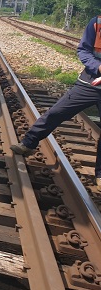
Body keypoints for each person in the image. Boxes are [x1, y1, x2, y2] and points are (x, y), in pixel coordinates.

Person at [10, 15, 101, 188]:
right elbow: (84, 50)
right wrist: (97, 66)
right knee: (57, 112)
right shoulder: (97, 22)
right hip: (91, 82)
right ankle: (29, 143)